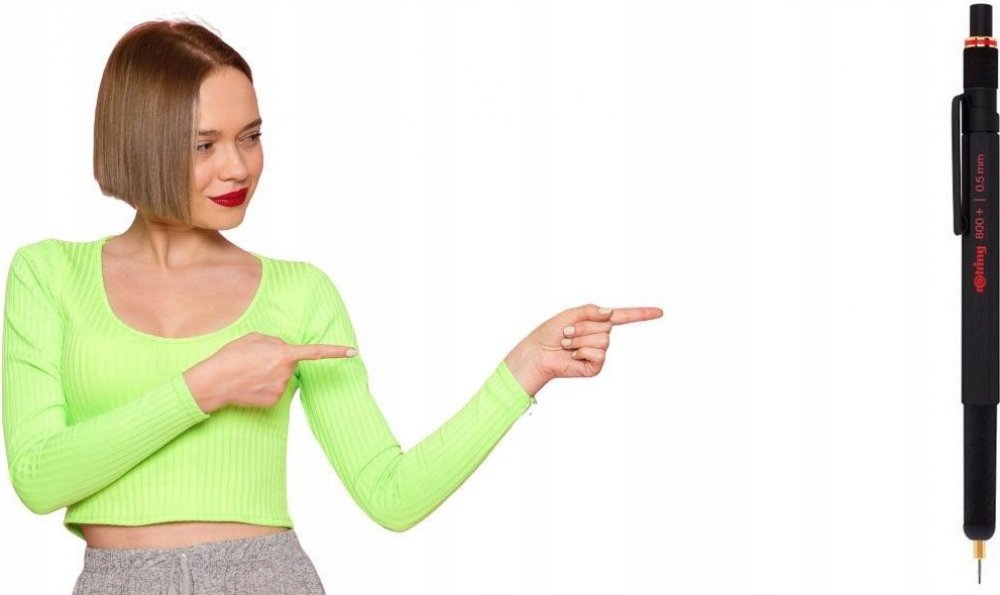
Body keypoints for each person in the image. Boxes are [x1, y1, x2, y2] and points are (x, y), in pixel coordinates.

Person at [1, 18, 663, 595]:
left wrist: (524, 369)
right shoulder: (47, 276)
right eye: (205, 144)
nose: (238, 168)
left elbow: (391, 492)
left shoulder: (299, 293)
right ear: (139, 141)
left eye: (250, 136)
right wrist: (205, 387)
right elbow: (37, 478)